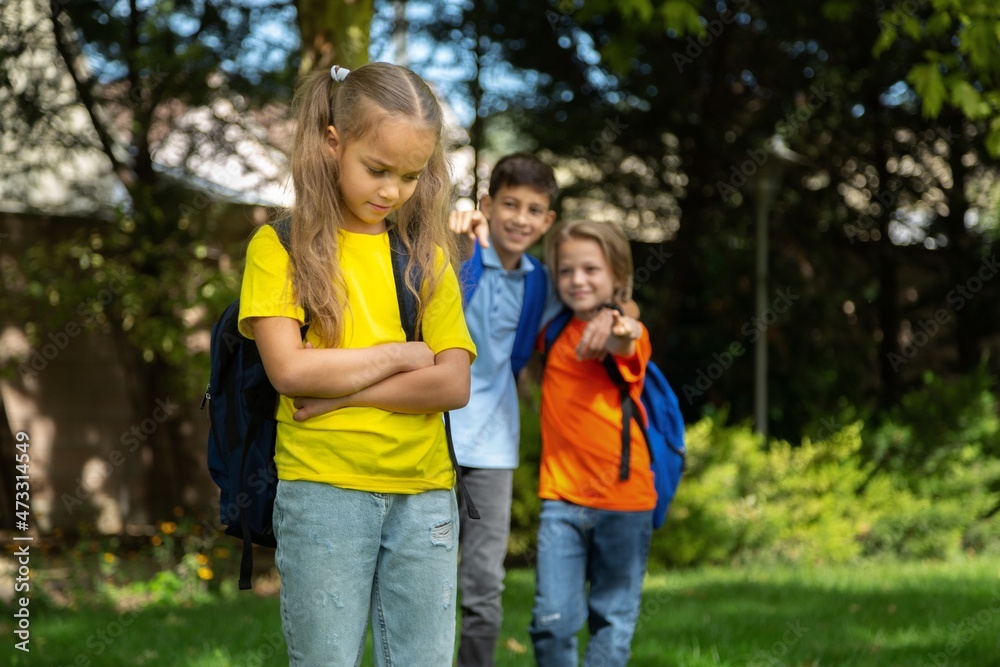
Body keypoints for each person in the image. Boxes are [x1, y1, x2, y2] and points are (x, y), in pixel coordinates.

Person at [238, 62, 477, 666]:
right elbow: (290, 373)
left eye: (411, 176)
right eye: (377, 169)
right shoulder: (281, 249)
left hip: (425, 496)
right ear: (331, 142)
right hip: (323, 491)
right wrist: (400, 356)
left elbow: (452, 383)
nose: (392, 191)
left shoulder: (428, 257)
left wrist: (345, 392)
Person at [446, 154, 622, 667]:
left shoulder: (543, 284)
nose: (520, 218)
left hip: (493, 448)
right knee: (422, 577)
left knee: (482, 585)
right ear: (486, 205)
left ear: (547, 222)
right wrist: (453, 227)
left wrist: (620, 314)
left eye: (534, 209)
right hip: (430, 436)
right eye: (509, 205)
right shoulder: (455, 253)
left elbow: (609, 298)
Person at [529, 219, 653, 667]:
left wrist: (621, 324)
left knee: (610, 623)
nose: (577, 280)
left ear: (617, 276)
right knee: (552, 620)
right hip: (561, 500)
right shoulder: (553, 329)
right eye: (566, 271)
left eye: (591, 270)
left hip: (624, 502)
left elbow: (628, 338)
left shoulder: (618, 332)